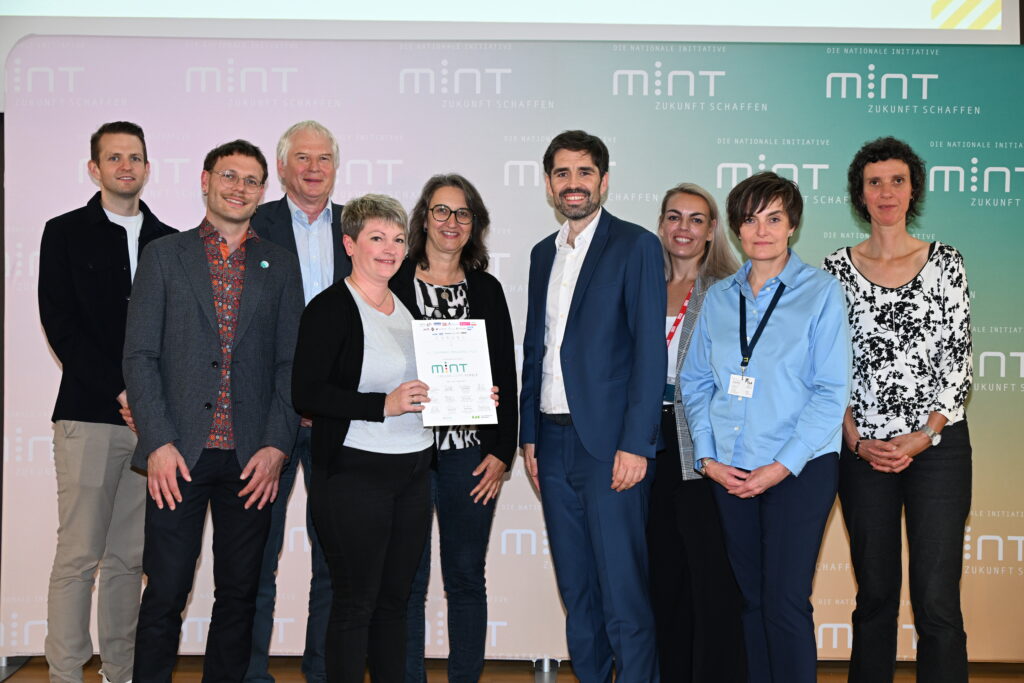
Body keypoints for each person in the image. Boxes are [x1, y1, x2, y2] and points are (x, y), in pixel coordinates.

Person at [123, 140, 304, 682]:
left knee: (241, 595)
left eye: (251, 180)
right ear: (205, 180)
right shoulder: (163, 255)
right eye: (229, 176)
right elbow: (139, 355)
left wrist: (277, 445)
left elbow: (290, 363)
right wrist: (156, 442)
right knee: (166, 590)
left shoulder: (280, 263)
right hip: (178, 455)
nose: (239, 188)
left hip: (252, 459)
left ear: (262, 191)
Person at [680, 171, 850, 683]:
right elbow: (695, 382)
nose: (762, 230)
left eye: (773, 218)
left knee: (784, 600)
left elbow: (830, 391)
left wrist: (781, 466)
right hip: (731, 467)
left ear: (792, 225)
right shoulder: (718, 297)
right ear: (735, 229)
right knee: (751, 599)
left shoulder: (820, 293)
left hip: (800, 468)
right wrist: (707, 459)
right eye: (750, 219)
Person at [823, 137, 972, 683]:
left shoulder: (946, 262)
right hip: (861, 450)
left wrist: (925, 435)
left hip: (937, 448)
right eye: (874, 181)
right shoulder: (834, 269)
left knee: (936, 599)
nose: (886, 191)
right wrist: (855, 440)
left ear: (914, 191)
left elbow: (958, 361)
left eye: (897, 180)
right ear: (859, 195)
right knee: (877, 594)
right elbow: (826, 367)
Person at [519, 130, 665, 683]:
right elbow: (538, 347)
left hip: (609, 447)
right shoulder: (541, 254)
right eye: (562, 174)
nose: (573, 184)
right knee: (576, 591)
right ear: (549, 184)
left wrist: (636, 442)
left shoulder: (635, 246)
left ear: (604, 180)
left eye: (584, 173)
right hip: (549, 446)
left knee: (623, 591)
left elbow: (650, 354)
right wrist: (528, 436)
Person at [38, 121, 176, 683]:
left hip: (151, 429)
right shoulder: (64, 232)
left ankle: (121, 672)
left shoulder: (171, 241)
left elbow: (179, 336)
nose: (126, 166)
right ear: (94, 168)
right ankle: (66, 673)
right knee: (78, 556)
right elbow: (61, 327)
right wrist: (124, 391)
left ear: (147, 167)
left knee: (130, 560)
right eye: (114, 157)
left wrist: (150, 402)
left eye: (136, 157)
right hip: (89, 416)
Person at [290, 194, 434, 683]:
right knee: (355, 604)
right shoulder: (330, 308)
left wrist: (469, 394)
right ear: (349, 244)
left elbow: (422, 387)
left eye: (397, 238)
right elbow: (306, 393)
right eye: (377, 238)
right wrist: (381, 405)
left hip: (414, 471)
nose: (390, 249)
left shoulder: (409, 307)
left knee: (396, 602)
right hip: (355, 473)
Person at [395, 174, 518, 683]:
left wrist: (501, 451)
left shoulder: (486, 289)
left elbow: (506, 376)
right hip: (405, 449)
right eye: (442, 211)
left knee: (466, 577)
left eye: (463, 213)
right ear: (424, 217)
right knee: (407, 580)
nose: (451, 222)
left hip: (470, 453)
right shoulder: (393, 281)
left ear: (475, 226)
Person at [248, 120, 346, 683]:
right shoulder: (250, 224)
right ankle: (251, 674)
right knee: (255, 559)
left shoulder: (360, 229)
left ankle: (323, 672)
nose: (313, 168)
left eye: (324, 158)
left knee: (334, 558)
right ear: (281, 168)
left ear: (336, 167)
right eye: (302, 158)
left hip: (337, 417)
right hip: (266, 416)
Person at [646, 183, 745, 683]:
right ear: (661, 225)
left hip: (703, 445)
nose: (683, 228)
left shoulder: (728, 290)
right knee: (663, 574)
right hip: (647, 445)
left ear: (711, 231)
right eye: (674, 217)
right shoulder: (641, 284)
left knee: (710, 575)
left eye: (696, 219)